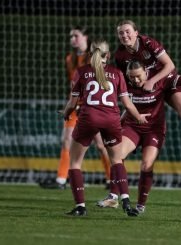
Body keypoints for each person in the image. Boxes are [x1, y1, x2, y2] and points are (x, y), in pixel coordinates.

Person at [97, 60, 181, 213]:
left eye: (138, 76)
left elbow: (180, 79)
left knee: (147, 164)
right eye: (132, 77)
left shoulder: (159, 79)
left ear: (146, 71)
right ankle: (113, 196)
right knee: (117, 154)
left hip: (154, 129)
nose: (136, 80)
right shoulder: (124, 82)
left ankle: (140, 206)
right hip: (133, 126)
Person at [64, 41, 150, 217]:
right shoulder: (117, 73)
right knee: (117, 161)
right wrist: (139, 117)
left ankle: (80, 206)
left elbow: (72, 103)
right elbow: (127, 103)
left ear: (90, 54)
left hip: (89, 118)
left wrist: (66, 113)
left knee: (74, 163)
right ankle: (126, 201)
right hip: (112, 120)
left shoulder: (81, 72)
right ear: (108, 56)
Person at [114, 20, 181, 153]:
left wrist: (152, 81)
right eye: (121, 33)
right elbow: (126, 79)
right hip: (146, 88)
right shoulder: (120, 55)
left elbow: (170, 65)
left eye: (128, 32)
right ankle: (134, 140)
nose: (124, 35)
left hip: (165, 80)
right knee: (134, 110)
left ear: (136, 33)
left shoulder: (148, 43)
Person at [39, 25, 111, 190]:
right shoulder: (70, 58)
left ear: (86, 37)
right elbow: (74, 85)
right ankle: (61, 180)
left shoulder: (94, 57)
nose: (72, 39)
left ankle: (111, 178)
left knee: (101, 145)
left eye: (76, 36)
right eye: (71, 36)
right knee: (66, 141)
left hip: (92, 107)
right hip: (74, 107)